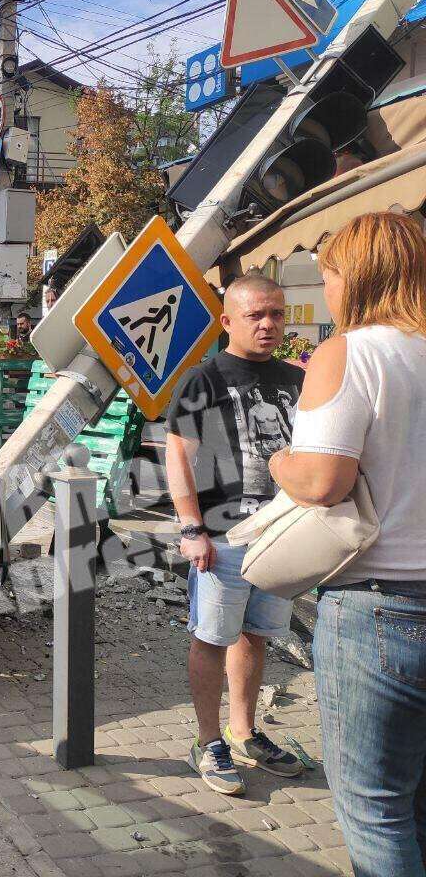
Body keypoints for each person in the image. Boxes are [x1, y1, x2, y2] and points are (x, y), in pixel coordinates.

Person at [270, 211, 426, 876]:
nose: (326, 290)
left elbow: (324, 479)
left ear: (355, 278)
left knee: (375, 806)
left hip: (378, 608)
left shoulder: (350, 351)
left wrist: (280, 462)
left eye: (328, 275)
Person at [165, 273, 305, 796]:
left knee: (257, 634)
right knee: (211, 636)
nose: (268, 325)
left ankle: (244, 731)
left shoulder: (296, 379)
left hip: (281, 533)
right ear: (227, 321)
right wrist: (191, 528)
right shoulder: (204, 378)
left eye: (276, 313)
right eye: (255, 315)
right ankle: (207, 740)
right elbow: (179, 456)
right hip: (222, 536)